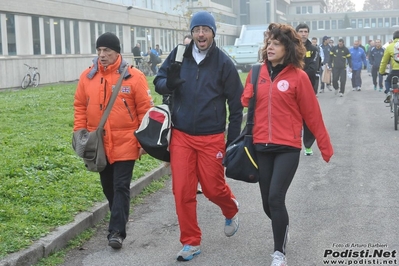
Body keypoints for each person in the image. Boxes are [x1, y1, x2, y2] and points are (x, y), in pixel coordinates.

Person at [241, 23, 333, 266]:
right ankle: (282, 228)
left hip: (287, 148)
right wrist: (250, 90)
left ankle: (279, 253)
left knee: (275, 198)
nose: (270, 47)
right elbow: (244, 100)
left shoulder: (298, 77)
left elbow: (312, 115)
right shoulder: (256, 72)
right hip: (261, 145)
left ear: (288, 48)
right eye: (269, 42)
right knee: (266, 203)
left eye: (276, 43)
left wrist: (324, 146)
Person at [153, 11, 242, 261]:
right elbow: (159, 82)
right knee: (182, 190)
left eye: (205, 29)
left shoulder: (224, 63)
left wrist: (233, 142)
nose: (200, 34)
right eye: (196, 30)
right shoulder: (179, 55)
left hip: (211, 136)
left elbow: (237, 106)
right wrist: (169, 83)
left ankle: (231, 208)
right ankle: (190, 242)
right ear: (191, 33)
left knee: (213, 189)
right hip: (181, 135)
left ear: (213, 33)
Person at [73, 32, 153, 250]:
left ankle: (116, 231)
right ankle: (120, 216)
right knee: (108, 187)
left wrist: (142, 141)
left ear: (117, 52)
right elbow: (80, 105)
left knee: (121, 186)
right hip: (99, 144)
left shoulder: (133, 77)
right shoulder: (87, 77)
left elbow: (145, 111)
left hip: (126, 141)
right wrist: (80, 131)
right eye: (99, 50)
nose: (102, 55)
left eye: (107, 50)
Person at [295, 23, 320, 156]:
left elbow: (313, 69)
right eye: (301, 31)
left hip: (308, 88)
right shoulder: (290, 48)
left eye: (305, 31)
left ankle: (308, 145)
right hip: (291, 89)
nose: (303, 34)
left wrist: (297, 75)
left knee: (308, 118)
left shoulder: (314, 49)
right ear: (296, 33)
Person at [379, 30, 399, 103]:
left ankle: (388, 93)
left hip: (395, 71)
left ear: (393, 38)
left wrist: (382, 71)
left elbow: (384, 61)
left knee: (388, 81)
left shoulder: (389, 47)